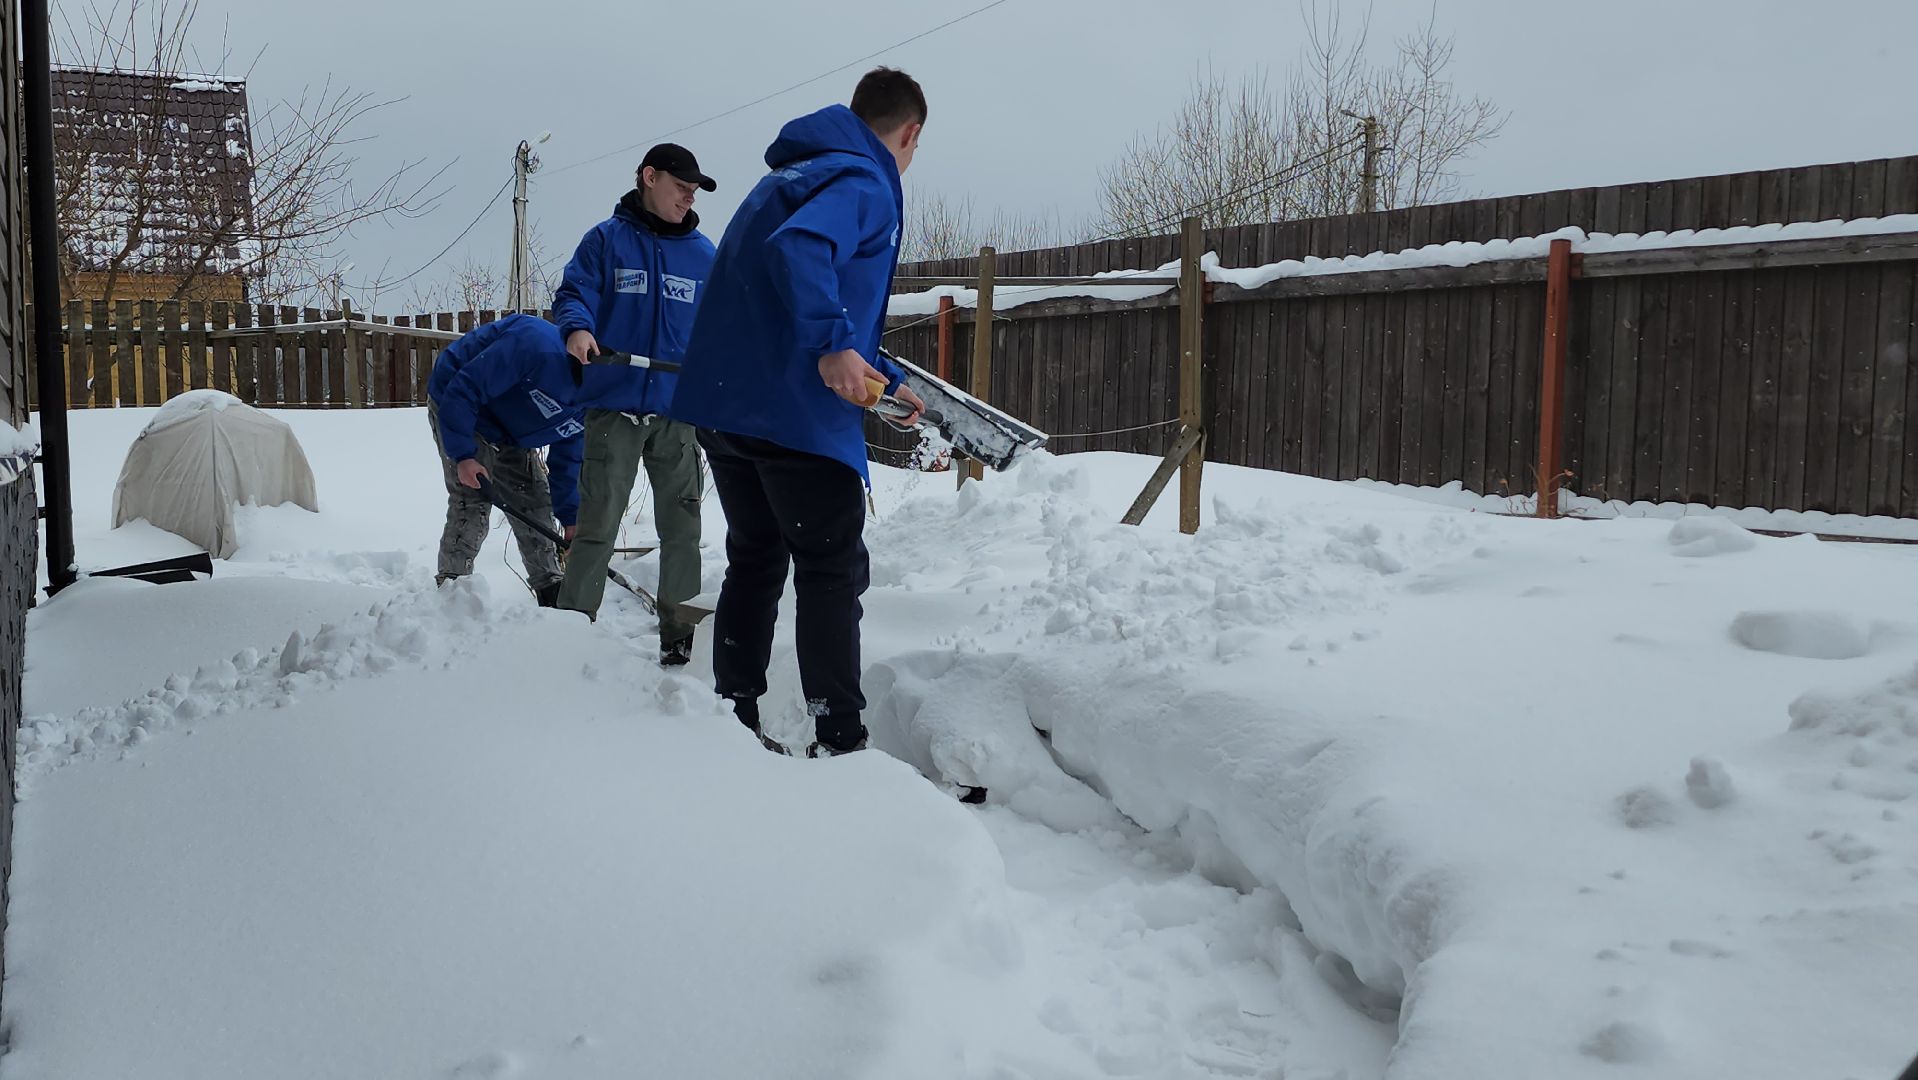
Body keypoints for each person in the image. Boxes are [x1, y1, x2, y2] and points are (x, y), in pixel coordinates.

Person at [670, 68, 928, 758]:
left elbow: (786, 295)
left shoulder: (785, 180)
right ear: (909, 134)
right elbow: (804, 251)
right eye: (913, 150)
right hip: (794, 422)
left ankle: (733, 718)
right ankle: (840, 739)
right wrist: (833, 345)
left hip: (730, 411)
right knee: (830, 570)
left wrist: (883, 378)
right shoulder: (864, 182)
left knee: (754, 558)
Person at [553, 143, 719, 666]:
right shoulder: (605, 241)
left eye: (694, 192)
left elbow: (726, 323)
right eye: (681, 187)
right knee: (597, 525)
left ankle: (681, 639)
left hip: (676, 412)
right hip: (612, 409)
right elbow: (573, 293)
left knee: (683, 531)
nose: (689, 198)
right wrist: (577, 329)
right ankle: (570, 634)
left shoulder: (702, 254)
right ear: (649, 177)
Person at [426, 313, 666, 604]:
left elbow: (568, 460)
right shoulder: (533, 345)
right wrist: (464, 456)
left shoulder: (595, 401)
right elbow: (463, 391)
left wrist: (571, 518)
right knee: (473, 499)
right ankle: (451, 592)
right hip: (461, 406)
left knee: (535, 500)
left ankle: (551, 589)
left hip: (514, 429)